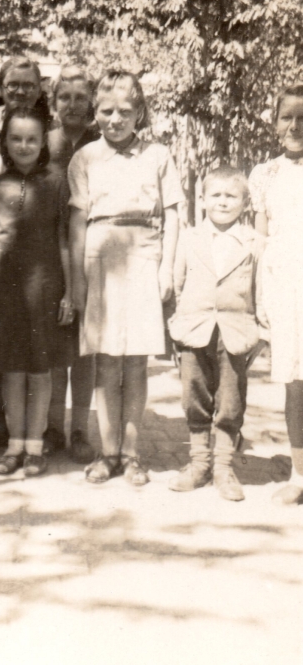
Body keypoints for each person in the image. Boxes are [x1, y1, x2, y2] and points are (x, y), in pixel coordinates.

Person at [68, 70, 184, 484]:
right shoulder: (85, 158)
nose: (115, 119)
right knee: (105, 363)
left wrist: (167, 268)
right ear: (94, 114)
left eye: (125, 111)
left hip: (143, 255)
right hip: (100, 256)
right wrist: (76, 281)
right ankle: (107, 452)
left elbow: (172, 214)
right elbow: (78, 221)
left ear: (140, 113)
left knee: (135, 364)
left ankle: (132, 455)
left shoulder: (158, 155)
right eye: (106, 111)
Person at [0, 105, 75, 477]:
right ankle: (15, 444)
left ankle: (35, 444)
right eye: (16, 138)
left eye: (32, 138)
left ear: (44, 141)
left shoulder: (59, 181)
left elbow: (65, 239)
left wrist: (70, 292)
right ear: (4, 141)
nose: (24, 145)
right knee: (12, 370)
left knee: (41, 370)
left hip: (46, 288)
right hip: (4, 290)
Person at [168, 167, 268, 501]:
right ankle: (199, 464)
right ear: (203, 199)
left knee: (231, 400)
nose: (223, 202)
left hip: (235, 333)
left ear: (245, 202)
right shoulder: (190, 237)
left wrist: (262, 333)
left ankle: (224, 467)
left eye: (231, 196)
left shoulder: (254, 243)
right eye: (216, 195)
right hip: (195, 331)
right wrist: (178, 327)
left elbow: (260, 291)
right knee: (194, 395)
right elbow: (178, 285)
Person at [249, 84, 303, 505]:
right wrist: (261, 300)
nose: (295, 125)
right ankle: (300, 475)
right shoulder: (265, 174)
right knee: (295, 384)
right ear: (275, 122)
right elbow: (261, 241)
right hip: (286, 285)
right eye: (287, 117)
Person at [45, 65, 99, 463]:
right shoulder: (43, 143)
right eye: (65, 97)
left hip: (93, 252)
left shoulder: (105, 142)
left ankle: (79, 428)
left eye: (82, 97)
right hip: (48, 256)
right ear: (53, 102)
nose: (74, 105)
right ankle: (51, 426)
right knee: (52, 347)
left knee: (83, 350)